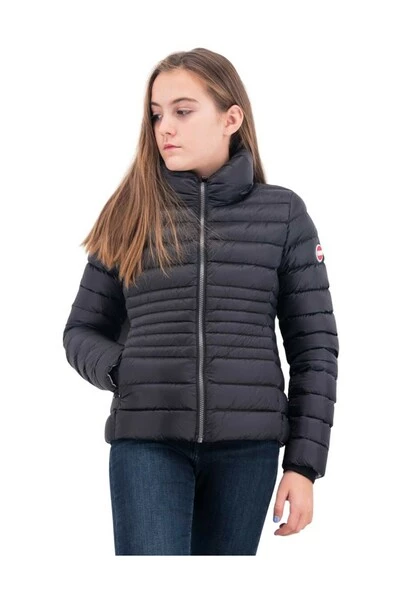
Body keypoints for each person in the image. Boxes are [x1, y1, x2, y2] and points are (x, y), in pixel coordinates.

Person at [62, 47, 339, 555]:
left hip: (248, 451)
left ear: (231, 118)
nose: (164, 127)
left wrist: (303, 466)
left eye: (183, 111)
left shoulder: (283, 215)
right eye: (156, 114)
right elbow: (81, 330)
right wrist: (123, 369)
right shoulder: (131, 212)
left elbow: (315, 349)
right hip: (146, 442)